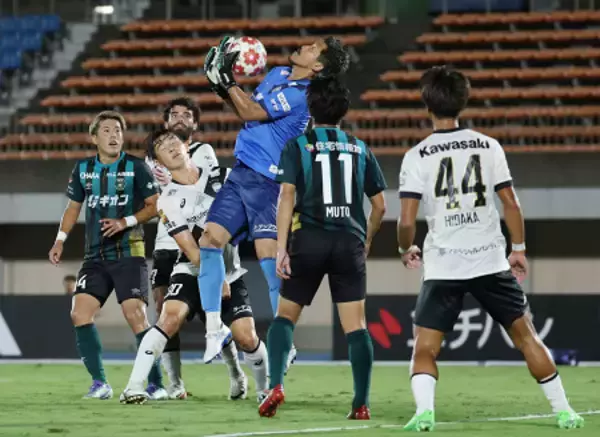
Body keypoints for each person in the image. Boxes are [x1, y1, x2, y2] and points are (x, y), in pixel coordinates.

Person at [397, 66, 584, 431]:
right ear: (463, 102)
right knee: (526, 337)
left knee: (425, 347)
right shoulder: (488, 146)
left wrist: (407, 247)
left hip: (444, 266)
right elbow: (511, 203)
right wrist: (519, 249)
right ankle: (564, 411)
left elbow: (406, 221)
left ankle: (424, 413)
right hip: (489, 261)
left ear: (427, 105)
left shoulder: (417, 155)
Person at [199, 35, 350, 365]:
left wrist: (226, 80)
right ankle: (213, 330)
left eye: (313, 48)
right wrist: (222, 88)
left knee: (269, 258)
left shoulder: (303, 95)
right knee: (209, 240)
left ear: (318, 65)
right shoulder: (278, 74)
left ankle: (285, 337)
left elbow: (250, 109)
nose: (304, 45)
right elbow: (248, 113)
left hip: (268, 179)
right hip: (242, 170)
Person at [258, 78, 387, 419]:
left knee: (285, 317)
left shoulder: (298, 145)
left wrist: (282, 247)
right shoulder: (360, 147)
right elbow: (380, 205)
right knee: (356, 327)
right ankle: (361, 404)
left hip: (309, 239)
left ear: (310, 107)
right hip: (349, 241)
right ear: (344, 110)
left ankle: (276, 386)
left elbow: (286, 196)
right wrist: (366, 240)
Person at [120, 129, 269, 404]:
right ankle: (133, 387)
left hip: (231, 270)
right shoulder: (167, 200)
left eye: (173, 141)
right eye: (162, 146)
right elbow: (189, 248)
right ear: (158, 163)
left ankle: (262, 389)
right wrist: (216, 279)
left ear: (187, 146)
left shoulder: (225, 177)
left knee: (247, 337)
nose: (171, 147)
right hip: (191, 267)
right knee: (169, 318)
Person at [48, 111, 167, 401]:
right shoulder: (83, 169)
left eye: (118, 131)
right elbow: (73, 208)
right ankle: (100, 384)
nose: (114, 136)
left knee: (135, 315)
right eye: (107, 131)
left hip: (129, 252)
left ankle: (156, 384)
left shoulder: (136, 167)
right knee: (79, 313)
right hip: (94, 256)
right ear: (94, 138)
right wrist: (60, 240)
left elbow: (155, 205)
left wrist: (125, 222)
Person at [146, 97, 219, 399]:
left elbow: (213, 190)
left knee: (214, 307)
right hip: (167, 242)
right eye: (174, 114)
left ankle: (235, 374)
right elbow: (153, 201)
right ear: (165, 122)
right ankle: (175, 384)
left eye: (186, 115)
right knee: (165, 311)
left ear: (195, 123)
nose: (179, 119)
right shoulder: (153, 158)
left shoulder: (203, 151)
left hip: (201, 239)